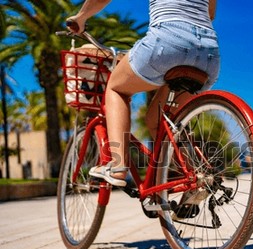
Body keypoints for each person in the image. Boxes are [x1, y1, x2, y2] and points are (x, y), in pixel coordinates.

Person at [67, 0, 220, 187]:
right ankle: (195, 179)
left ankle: (117, 166)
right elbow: (210, 13)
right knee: (158, 122)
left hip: (167, 41)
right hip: (208, 53)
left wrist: (80, 18)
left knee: (116, 88)